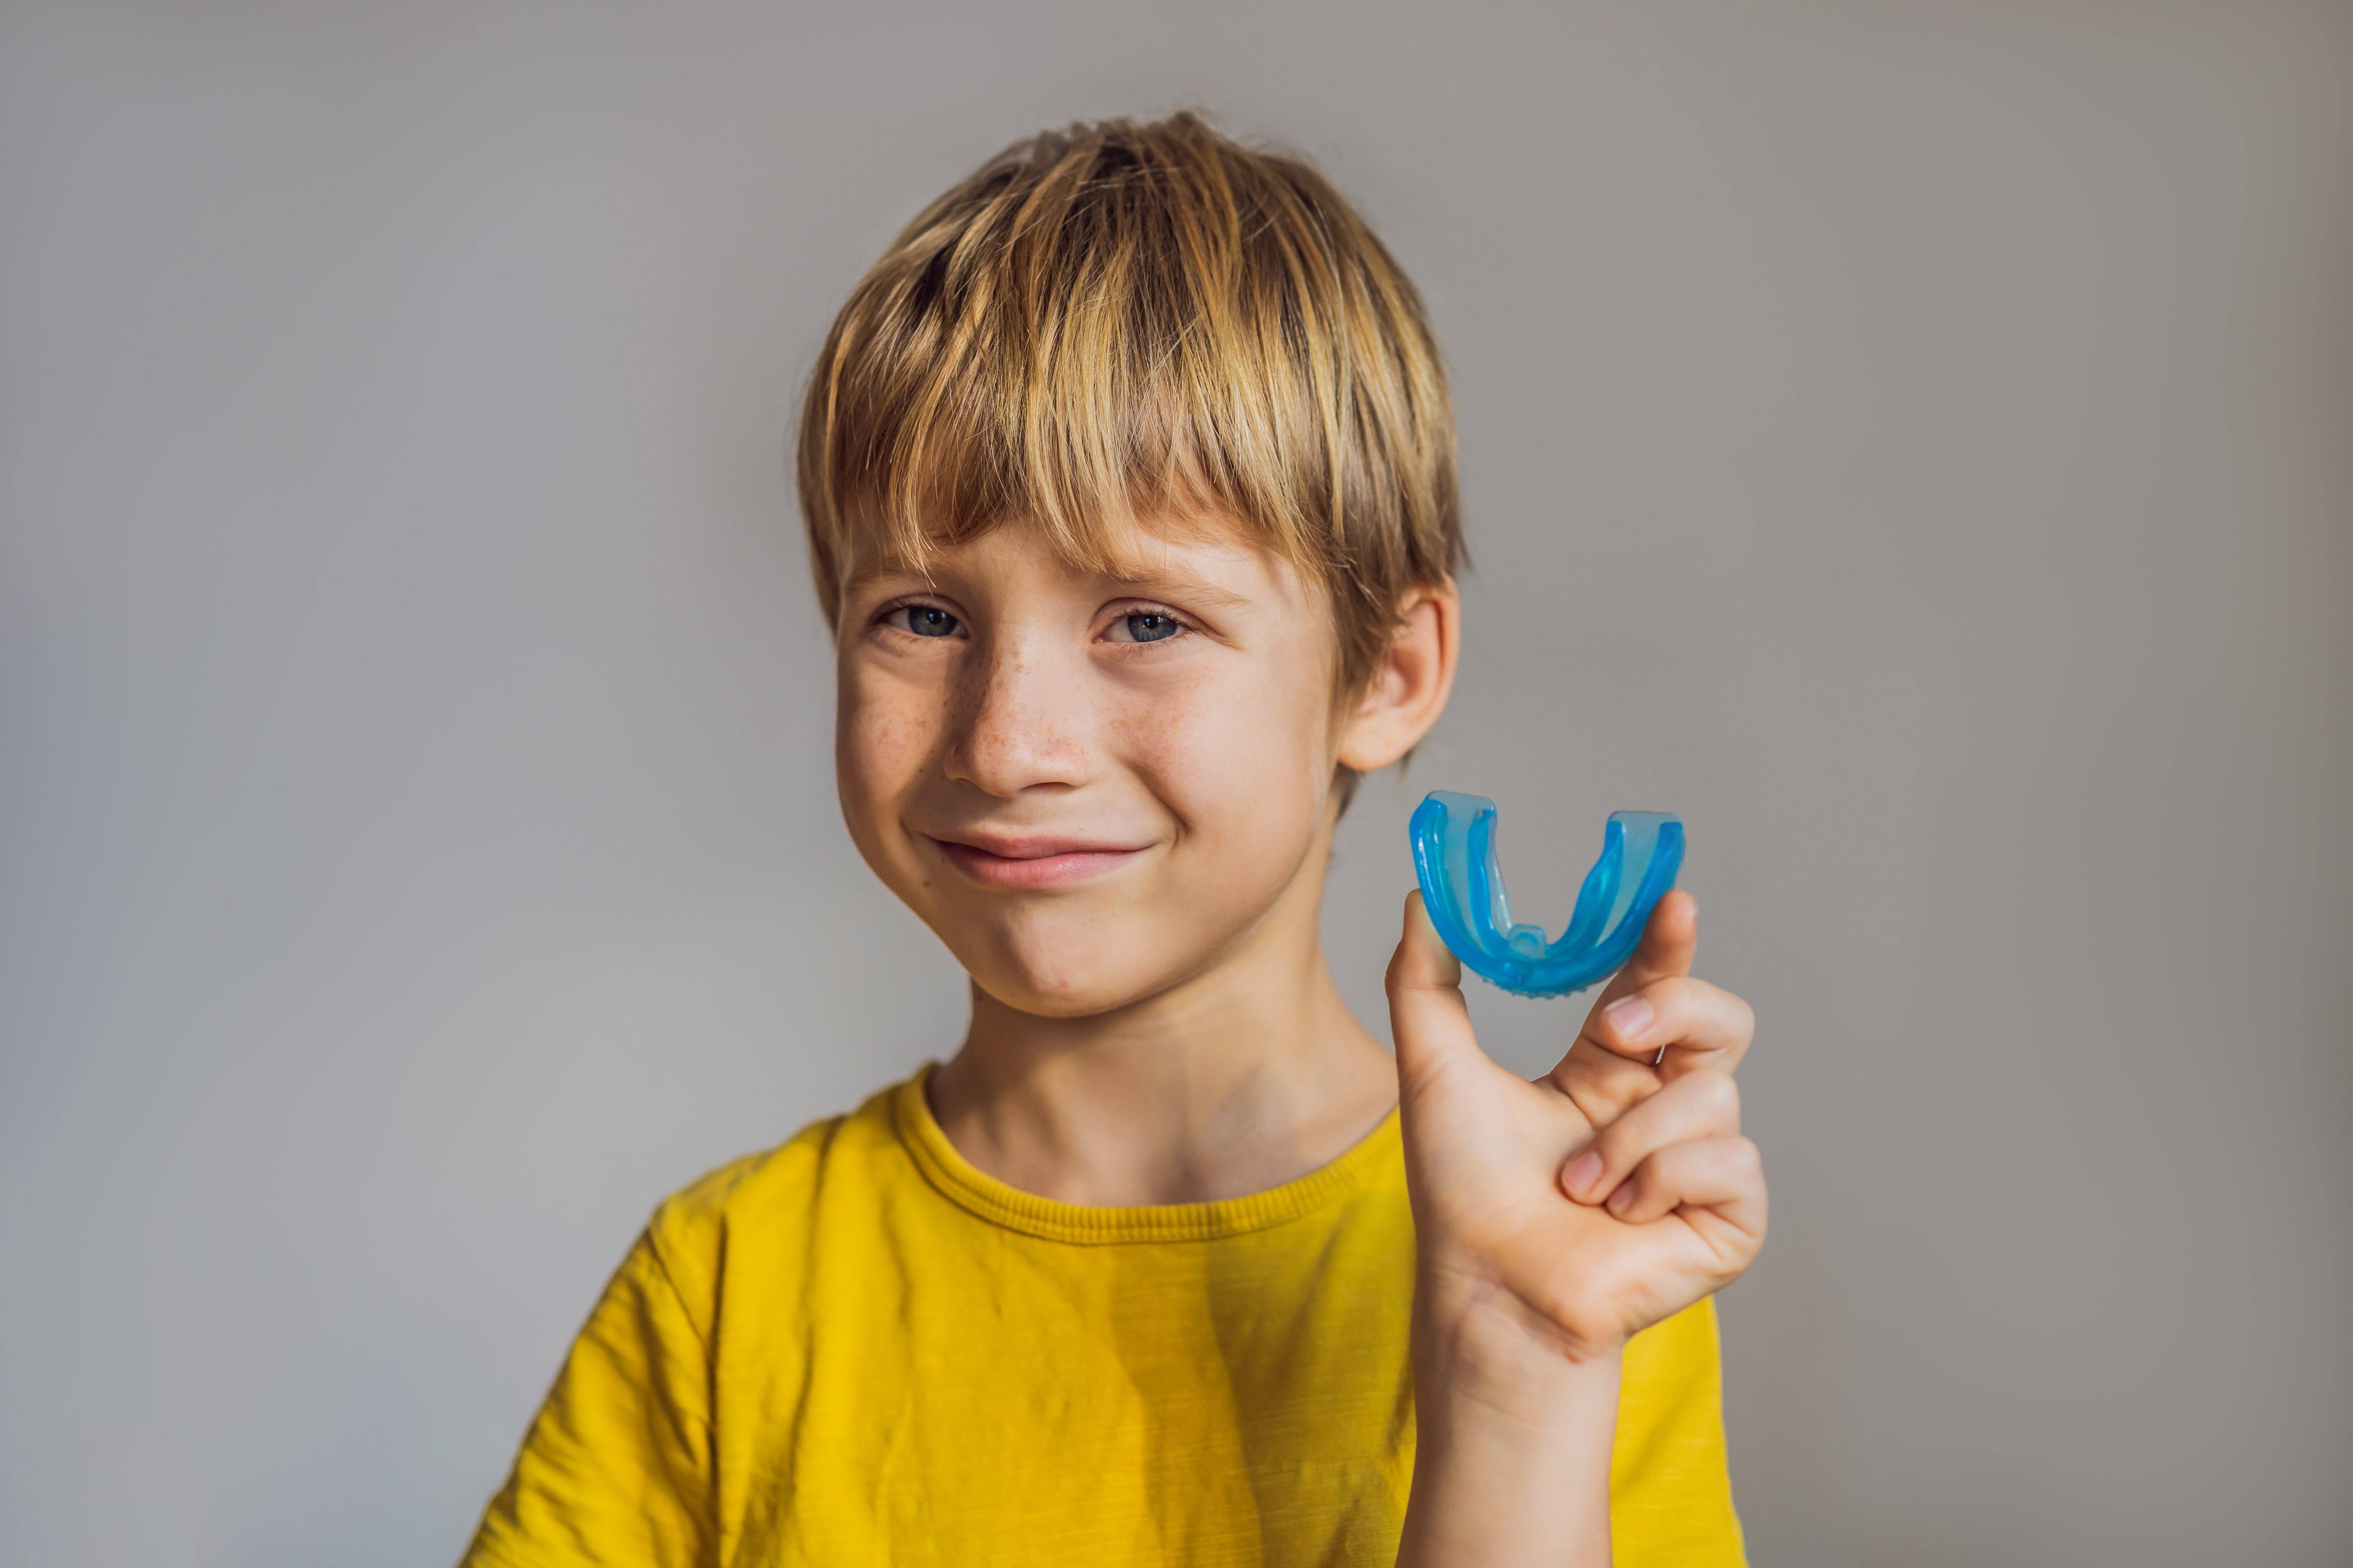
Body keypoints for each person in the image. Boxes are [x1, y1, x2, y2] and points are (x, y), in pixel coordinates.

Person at [459, 112, 1766, 1568]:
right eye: (922, 617)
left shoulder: (1573, 1263)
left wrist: (1516, 1379)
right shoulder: (719, 1296)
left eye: (1146, 621)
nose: (1009, 743)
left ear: (1385, 675)